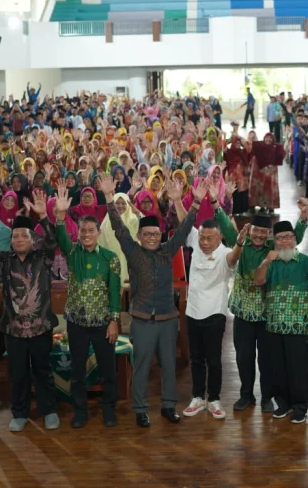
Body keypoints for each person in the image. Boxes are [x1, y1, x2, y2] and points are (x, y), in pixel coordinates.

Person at [98, 173, 200, 428]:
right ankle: (141, 409)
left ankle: (168, 406)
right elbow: (119, 229)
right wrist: (110, 198)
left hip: (167, 319)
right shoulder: (133, 252)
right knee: (142, 366)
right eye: (148, 234)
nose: (153, 238)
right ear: (141, 235)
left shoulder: (168, 250)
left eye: (156, 234)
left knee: (168, 366)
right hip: (142, 319)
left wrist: (194, 204)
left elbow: (185, 228)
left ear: (160, 234)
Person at [0, 191, 61, 432]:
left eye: (24, 236)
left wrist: (44, 215)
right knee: (18, 373)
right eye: (15, 236)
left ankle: (49, 410)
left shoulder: (43, 257)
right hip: (13, 329)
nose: (19, 240)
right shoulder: (5, 261)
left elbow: (52, 239)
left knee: (43, 370)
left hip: (41, 326)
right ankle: (20, 412)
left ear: (32, 239)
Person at [221, 203, 308, 413]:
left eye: (263, 232)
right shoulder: (241, 243)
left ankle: (267, 397)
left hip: (266, 315)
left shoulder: (273, 247)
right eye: (256, 231)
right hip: (242, 313)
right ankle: (246, 395)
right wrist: (217, 205)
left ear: (268, 233)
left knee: (267, 359)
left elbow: (294, 235)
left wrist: (303, 216)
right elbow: (226, 227)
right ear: (250, 230)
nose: (259, 235)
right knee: (244, 357)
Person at [53, 185, 121, 429]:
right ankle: (80, 410)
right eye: (82, 230)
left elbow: (114, 291)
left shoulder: (110, 258)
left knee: (108, 370)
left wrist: (114, 321)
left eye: (91, 230)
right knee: (78, 370)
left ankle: (108, 409)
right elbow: (61, 237)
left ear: (98, 231)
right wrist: (60, 216)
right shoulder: (72, 253)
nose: (86, 234)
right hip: (77, 323)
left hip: (103, 323)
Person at [253, 220, 308, 424]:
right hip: (274, 326)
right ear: (274, 241)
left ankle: (300, 407)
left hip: (300, 326)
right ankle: (283, 404)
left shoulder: (306, 263)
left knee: (300, 368)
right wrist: (266, 261)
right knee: (278, 368)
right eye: (279, 238)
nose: (284, 242)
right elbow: (258, 281)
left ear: (295, 239)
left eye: (288, 237)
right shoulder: (271, 263)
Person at [179, 209, 231, 420]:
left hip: (215, 313)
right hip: (193, 311)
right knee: (196, 358)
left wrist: (239, 244)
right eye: (202, 237)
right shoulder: (196, 243)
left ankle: (214, 399)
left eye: (210, 238)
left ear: (220, 237)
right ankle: (198, 397)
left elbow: (234, 257)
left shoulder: (225, 253)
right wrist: (175, 200)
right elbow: (185, 222)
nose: (205, 242)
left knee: (214, 359)